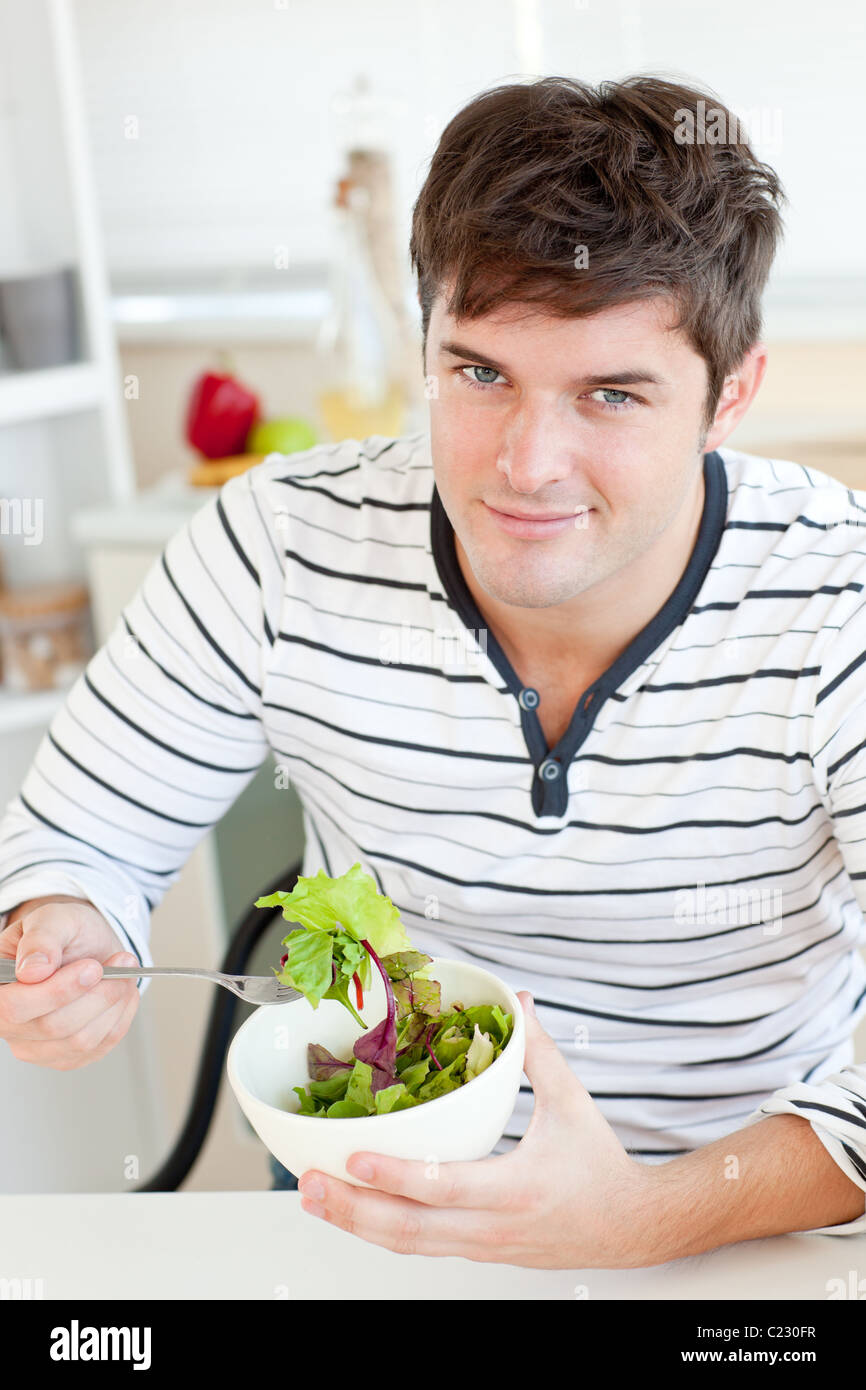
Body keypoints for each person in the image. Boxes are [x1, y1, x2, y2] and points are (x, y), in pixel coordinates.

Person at [2, 74, 866, 1269]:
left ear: (729, 396)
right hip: (373, 1204)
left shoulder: (838, 601)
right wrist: (63, 927)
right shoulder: (278, 542)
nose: (524, 464)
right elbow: (80, 834)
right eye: (478, 374)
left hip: (738, 1229)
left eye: (609, 393)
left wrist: (640, 1220)